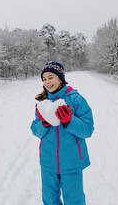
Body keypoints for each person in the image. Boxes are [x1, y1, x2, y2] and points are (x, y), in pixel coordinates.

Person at [31, 61, 94, 205]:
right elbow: (35, 130)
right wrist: (44, 124)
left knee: (74, 199)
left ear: (60, 78)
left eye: (50, 77)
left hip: (71, 160)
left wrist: (69, 121)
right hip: (48, 161)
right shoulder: (43, 103)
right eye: (44, 79)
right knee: (49, 199)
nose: (47, 82)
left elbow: (88, 129)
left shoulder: (76, 99)